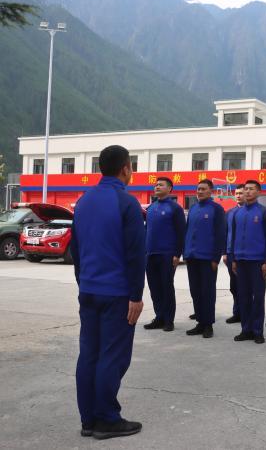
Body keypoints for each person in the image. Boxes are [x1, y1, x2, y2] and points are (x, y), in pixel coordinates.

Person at [71, 145, 145, 439]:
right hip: (116, 293)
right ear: (126, 168)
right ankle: (106, 419)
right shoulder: (127, 203)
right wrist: (136, 296)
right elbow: (136, 254)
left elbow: (76, 249)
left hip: (89, 290)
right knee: (112, 356)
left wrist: (84, 283)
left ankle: (88, 419)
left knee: (88, 354)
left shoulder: (83, 201)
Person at [230, 180, 266, 344]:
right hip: (240, 261)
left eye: (251, 189)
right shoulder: (237, 213)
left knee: (258, 297)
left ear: (258, 192)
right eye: (246, 189)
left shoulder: (264, 212)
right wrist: (234, 259)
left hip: (257, 262)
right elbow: (233, 237)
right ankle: (246, 329)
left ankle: (257, 331)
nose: (247, 192)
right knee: (243, 297)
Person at [183, 179, 226, 339]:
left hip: (207, 258)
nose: (199, 191)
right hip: (192, 257)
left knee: (207, 292)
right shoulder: (193, 208)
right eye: (198, 189)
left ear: (211, 191)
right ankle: (200, 322)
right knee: (195, 291)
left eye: (203, 189)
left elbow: (220, 234)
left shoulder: (216, 209)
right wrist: (185, 253)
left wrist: (215, 257)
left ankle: (208, 325)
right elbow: (187, 232)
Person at [144, 177, 186, 332]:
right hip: (150, 254)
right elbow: (146, 231)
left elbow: (181, 232)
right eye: (156, 185)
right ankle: (159, 317)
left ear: (169, 189)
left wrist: (177, 253)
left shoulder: (175, 208)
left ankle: (169, 320)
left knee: (166, 287)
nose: (157, 186)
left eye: (161, 185)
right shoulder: (150, 208)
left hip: (167, 254)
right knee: (154, 288)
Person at [223, 184, 245, 324]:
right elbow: (225, 233)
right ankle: (237, 312)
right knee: (234, 285)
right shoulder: (229, 213)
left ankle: (247, 313)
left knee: (246, 286)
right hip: (231, 253)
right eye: (236, 193)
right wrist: (224, 253)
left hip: (246, 255)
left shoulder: (254, 212)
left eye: (241, 193)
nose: (238, 195)